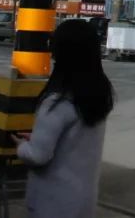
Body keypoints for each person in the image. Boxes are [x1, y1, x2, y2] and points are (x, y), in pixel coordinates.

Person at [13, 19, 114, 218]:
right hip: (83, 201)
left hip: (52, 203)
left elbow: (38, 156)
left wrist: (22, 146)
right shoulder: (97, 96)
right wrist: (38, 137)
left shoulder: (57, 102)